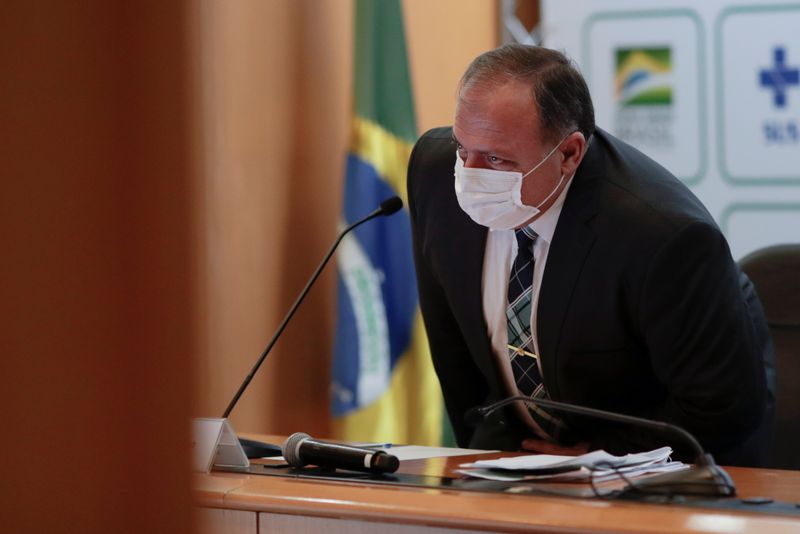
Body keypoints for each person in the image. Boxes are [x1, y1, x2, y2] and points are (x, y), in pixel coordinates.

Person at [407, 44, 775, 466]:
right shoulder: (434, 174)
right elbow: (453, 349)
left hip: (660, 466)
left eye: (495, 159)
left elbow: (722, 407)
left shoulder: (663, 235)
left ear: (569, 154)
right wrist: (485, 455)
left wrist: (602, 457)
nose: (470, 176)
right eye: (462, 149)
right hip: (516, 454)